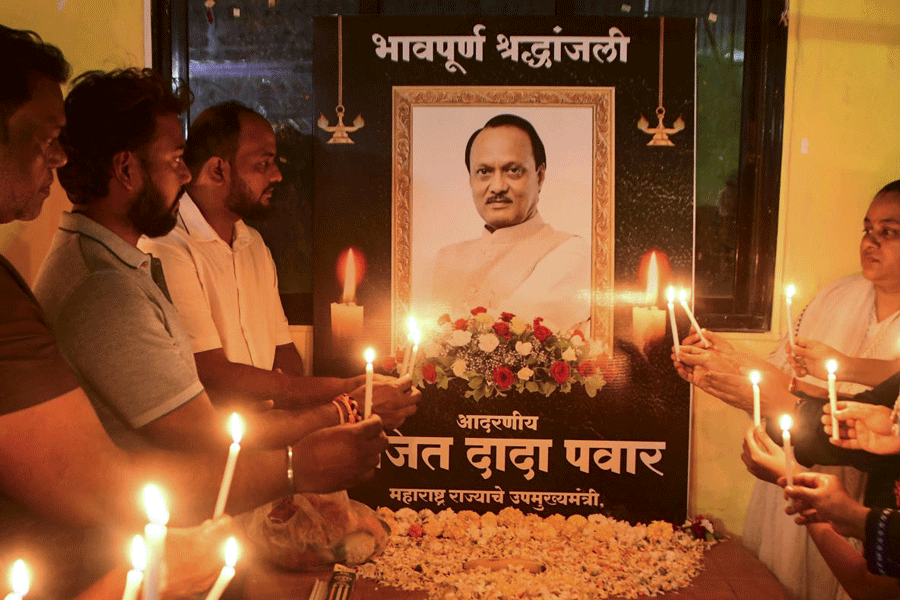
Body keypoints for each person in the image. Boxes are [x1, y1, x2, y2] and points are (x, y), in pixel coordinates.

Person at [0, 25, 385, 600]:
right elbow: (190, 437)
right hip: (122, 558)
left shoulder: (129, 264)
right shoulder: (101, 288)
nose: (56, 159)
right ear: (127, 170)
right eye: (177, 159)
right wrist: (315, 438)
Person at [674, 180, 900, 600]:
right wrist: (736, 366)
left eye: (889, 232)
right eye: (867, 229)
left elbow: (858, 410)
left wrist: (753, 387)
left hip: (861, 497)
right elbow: (786, 383)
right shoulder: (837, 295)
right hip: (801, 463)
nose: (871, 241)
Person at [138, 101, 419, 426]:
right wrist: (345, 393)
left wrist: (289, 412)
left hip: (261, 430)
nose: (277, 175)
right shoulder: (168, 245)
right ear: (218, 170)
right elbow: (211, 372)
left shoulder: (252, 244)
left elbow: (283, 353)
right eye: (263, 164)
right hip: (209, 437)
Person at [430, 113, 591, 333]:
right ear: (471, 180)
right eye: (484, 172)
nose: (497, 186)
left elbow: (512, 339)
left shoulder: (570, 251)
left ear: (540, 176)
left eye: (513, 170)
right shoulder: (446, 258)